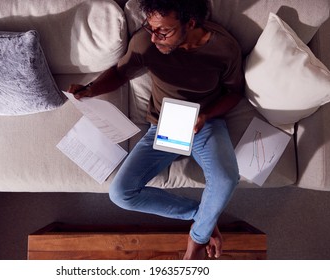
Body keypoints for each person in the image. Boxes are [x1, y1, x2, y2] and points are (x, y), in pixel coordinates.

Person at [68, 0, 244, 259]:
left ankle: (197, 238)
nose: (154, 36)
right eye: (149, 27)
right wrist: (91, 89)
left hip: (206, 121)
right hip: (165, 124)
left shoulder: (224, 48)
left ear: (190, 23)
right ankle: (202, 215)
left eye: (163, 30)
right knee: (120, 194)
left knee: (226, 179)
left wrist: (206, 115)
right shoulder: (145, 43)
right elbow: (120, 73)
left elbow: (235, 92)